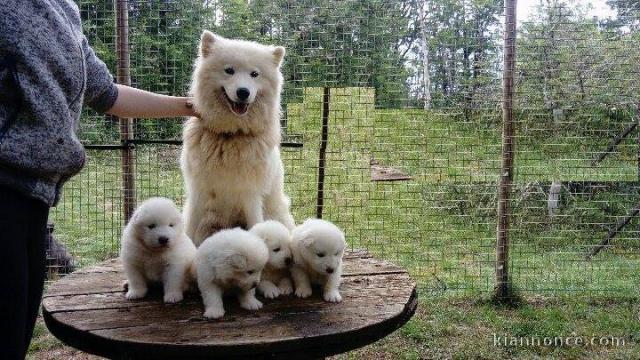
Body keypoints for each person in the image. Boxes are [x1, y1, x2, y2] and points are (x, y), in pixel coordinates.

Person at [0, 1, 197, 358]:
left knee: (15, 331)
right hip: (4, 185)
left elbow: (107, 94)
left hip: (35, 196)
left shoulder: (65, 9)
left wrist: (189, 105)